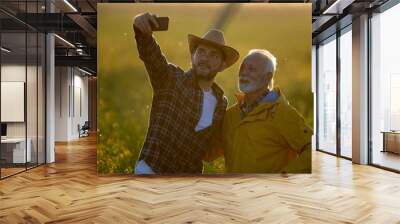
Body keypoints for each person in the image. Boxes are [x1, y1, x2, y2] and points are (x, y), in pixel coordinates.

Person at [132, 12, 239, 174]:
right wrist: (141, 30)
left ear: (222, 65)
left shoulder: (220, 102)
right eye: (201, 52)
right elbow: (151, 55)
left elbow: (210, 149)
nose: (205, 58)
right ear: (193, 56)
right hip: (152, 170)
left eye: (213, 55)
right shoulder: (171, 79)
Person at [204, 49, 312, 173]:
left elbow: (312, 150)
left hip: (267, 192)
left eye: (251, 69)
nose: (244, 73)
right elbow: (208, 154)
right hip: (234, 190)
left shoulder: (282, 113)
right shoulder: (231, 115)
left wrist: (283, 177)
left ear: (268, 77)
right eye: (242, 68)